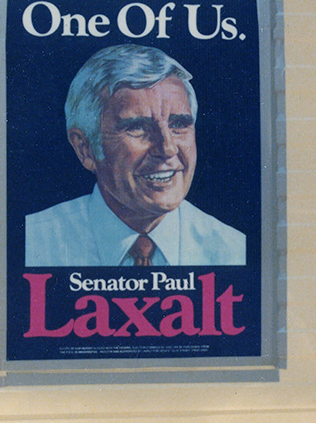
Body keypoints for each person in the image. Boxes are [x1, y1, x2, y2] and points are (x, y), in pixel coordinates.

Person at [25, 44, 245, 267]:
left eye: (179, 124)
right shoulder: (33, 244)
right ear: (85, 149)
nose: (167, 148)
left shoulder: (233, 250)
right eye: (138, 127)